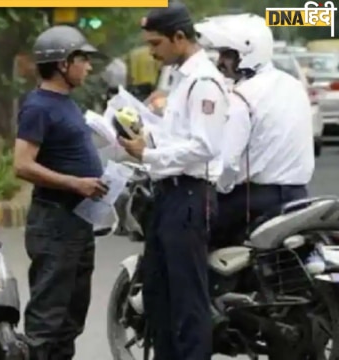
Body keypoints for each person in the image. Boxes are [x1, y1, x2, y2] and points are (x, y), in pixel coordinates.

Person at [118, 4, 229, 360]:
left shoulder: (204, 83)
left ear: (179, 38)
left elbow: (205, 146)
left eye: (156, 44)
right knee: (159, 294)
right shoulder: (181, 79)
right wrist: (144, 135)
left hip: (189, 196)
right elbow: (177, 136)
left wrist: (148, 155)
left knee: (187, 299)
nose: (152, 52)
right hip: (168, 195)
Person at [13, 25, 108, 360]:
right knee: (47, 320)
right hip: (54, 223)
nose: (89, 67)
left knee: (71, 318)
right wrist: (75, 183)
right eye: (83, 59)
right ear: (63, 63)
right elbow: (22, 164)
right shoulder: (39, 106)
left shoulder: (66, 104)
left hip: (78, 223)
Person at [195, 14, 314, 248]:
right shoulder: (293, 85)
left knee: (190, 237)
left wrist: (216, 186)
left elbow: (228, 163)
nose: (220, 62)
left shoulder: (242, 97)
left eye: (227, 55)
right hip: (298, 196)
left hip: (252, 201)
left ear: (247, 54)